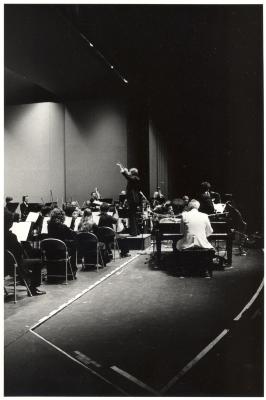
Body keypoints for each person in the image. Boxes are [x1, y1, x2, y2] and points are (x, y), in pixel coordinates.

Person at [4, 208, 46, 296]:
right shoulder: (11, 236)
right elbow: (18, 254)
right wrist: (20, 244)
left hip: (4, 266)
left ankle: (26, 279)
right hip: (12, 266)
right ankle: (33, 288)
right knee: (37, 262)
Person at [176, 199, 215, 278]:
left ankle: (183, 270)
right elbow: (209, 231)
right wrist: (201, 236)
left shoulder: (184, 215)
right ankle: (205, 271)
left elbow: (182, 232)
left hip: (188, 244)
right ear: (198, 207)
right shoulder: (205, 215)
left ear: (189, 207)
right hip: (202, 244)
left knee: (178, 243)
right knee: (208, 243)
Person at [47, 207, 77, 274]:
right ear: (62, 216)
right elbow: (72, 235)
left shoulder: (49, 225)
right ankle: (71, 271)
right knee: (74, 245)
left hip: (51, 249)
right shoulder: (62, 226)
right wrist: (73, 222)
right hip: (61, 250)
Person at [117, 163, 141, 236]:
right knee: (133, 215)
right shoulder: (134, 178)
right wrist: (125, 170)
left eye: (130, 172)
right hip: (134, 199)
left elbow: (128, 177)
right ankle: (136, 231)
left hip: (133, 199)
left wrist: (123, 170)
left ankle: (133, 232)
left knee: (132, 215)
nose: (129, 172)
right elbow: (129, 177)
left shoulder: (134, 178)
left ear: (132, 173)